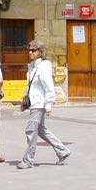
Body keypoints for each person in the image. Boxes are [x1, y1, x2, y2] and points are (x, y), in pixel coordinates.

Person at [17, 41, 70, 169]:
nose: (30, 52)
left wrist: (48, 105)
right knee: (41, 130)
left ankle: (28, 159)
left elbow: (48, 87)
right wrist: (25, 99)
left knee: (31, 130)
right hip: (34, 102)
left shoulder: (44, 66)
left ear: (41, 52)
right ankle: (63, 151)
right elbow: (30, 85)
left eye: (33, 50)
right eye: (29, 50)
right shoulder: (32, 66)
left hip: (39, 103)